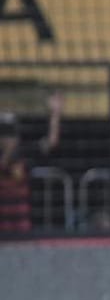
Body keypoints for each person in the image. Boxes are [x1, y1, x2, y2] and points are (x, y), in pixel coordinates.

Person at [0, 93, 62, 235]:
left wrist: (55, 113)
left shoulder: (25, 151)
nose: (8, 138)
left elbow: (51, 142)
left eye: (10, 134)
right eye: (4, 134)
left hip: (21, 217)